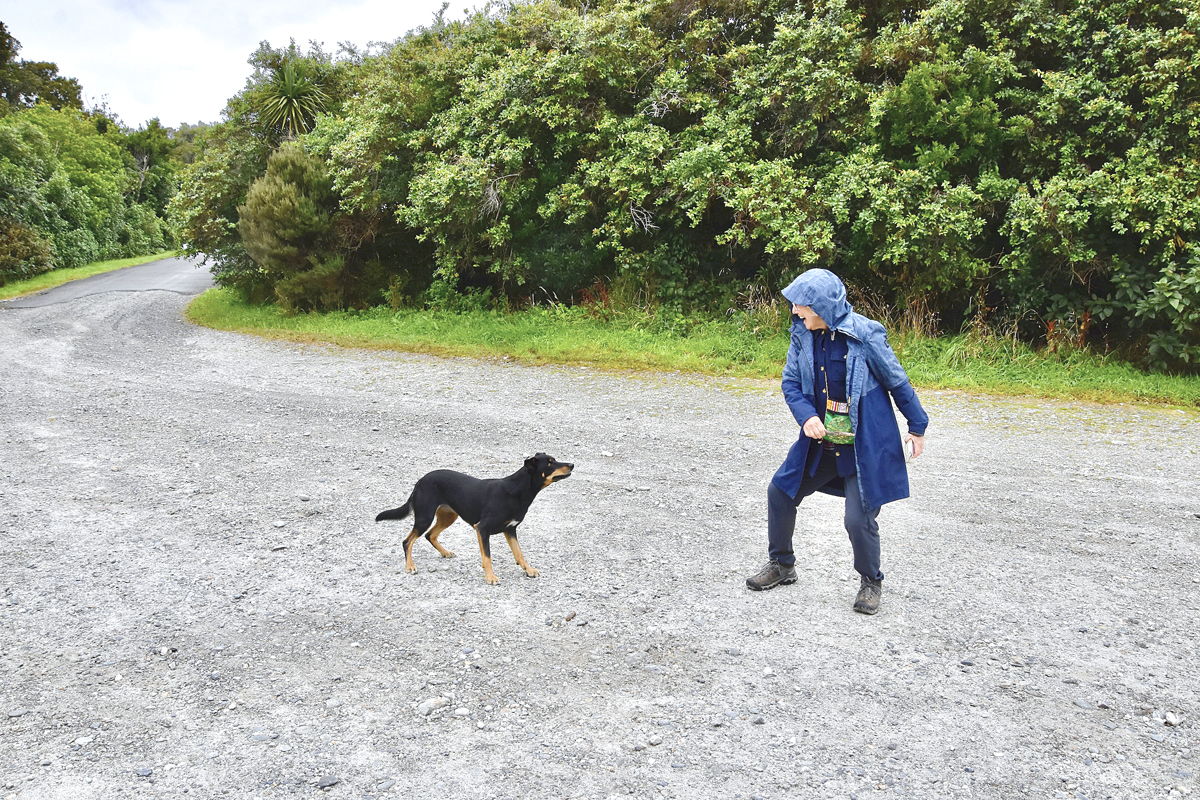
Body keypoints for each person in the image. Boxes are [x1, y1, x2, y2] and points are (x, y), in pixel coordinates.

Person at [745, 268, 928, 614]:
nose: (795, 312)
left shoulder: (866, 334)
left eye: (801, 306)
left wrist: (917, 426)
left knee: (858, 520)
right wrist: (807, 417)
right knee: (780, 492)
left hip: (863, 447)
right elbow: (791, 384)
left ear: (822, 307)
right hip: (822, 444)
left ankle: (871, 582)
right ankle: (782, 565)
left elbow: (897, 382)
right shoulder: (802, 335)